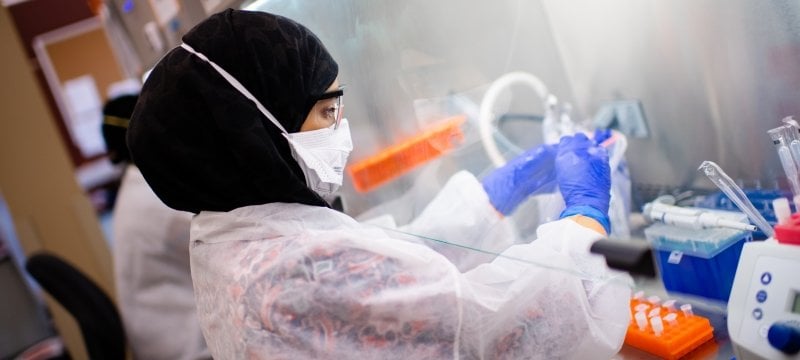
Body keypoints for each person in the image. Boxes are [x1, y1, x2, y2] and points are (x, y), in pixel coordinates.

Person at [127, 9, 631, 360]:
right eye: (326, 112)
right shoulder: (294, 270)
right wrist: (585, 220)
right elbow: (492, 335)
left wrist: (488, 200)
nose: (339, 128)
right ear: (254, 134)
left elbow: (391, 277)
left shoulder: (237, 236)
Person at [101, 84, 211, 360]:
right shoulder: (155, 198)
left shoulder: (137, 183)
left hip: (161, 339)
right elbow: (224, 243)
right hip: (187, 347)